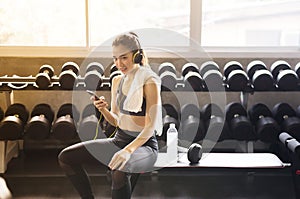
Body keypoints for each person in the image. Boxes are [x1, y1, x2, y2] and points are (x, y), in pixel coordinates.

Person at [58, 32, 162, 199]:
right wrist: (103, 110)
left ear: (137, 56)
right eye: (115, 58)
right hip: (119, 140)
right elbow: (116, 121)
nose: (119, 63)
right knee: (66, 157)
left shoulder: (150, 81)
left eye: (124, 58)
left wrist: (127, 151)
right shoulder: (117, 81)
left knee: (119, 169)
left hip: (144, 146)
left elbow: (150, 127)